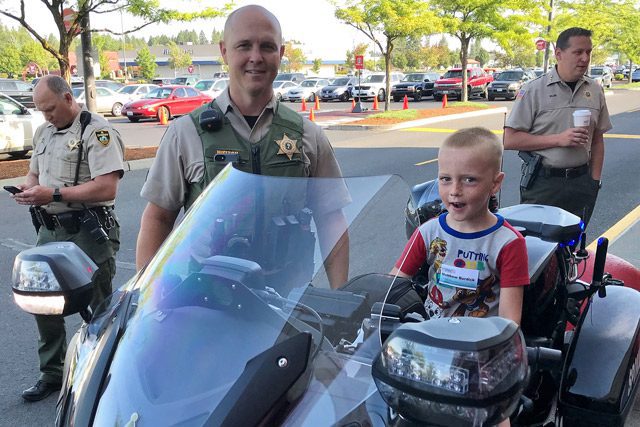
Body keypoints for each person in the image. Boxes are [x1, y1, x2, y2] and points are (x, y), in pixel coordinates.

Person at [135, 5, 349, 288]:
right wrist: (147, 298)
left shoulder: (308, 135)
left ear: (281, 53)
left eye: (267, 47)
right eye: (244, 46)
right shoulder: (186, 133)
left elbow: (331, 218)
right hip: (206, 302)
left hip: (289, 305)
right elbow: (158, 219)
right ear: (224, 51)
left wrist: (340, 295)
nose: (256, 57)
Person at [10, 75, 125, 401]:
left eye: (50, 109)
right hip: (51, 228)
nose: (46, 116)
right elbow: (34, 171)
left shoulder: (97, 131)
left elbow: (107, 186)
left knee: (98, 306)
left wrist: (53, 193)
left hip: (88, 229)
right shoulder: (45, 131)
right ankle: (53, 372)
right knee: (42, 300)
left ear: (68, 98)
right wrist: (28, 188)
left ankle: (105, 373)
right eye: (41, 110)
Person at [390, 127, 529, 326]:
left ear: (495, 184)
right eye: (446, 179)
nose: (455, 191)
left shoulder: (508, 243)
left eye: (469, 180)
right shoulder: (428, 232)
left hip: (478, 343)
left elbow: (508, 321)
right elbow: (393, 284)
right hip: (428, 334)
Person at [504, 27, 612, 227]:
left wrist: (594, 181)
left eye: (588, 52)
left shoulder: (595, 90)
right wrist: (559, 139)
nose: (585, 58)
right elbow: (510, 140)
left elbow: (597, 140)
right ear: (559, 54)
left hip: (582, 182)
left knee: (574, 246)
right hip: (544, 183)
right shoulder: (534, 90)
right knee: (540, 248)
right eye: (578, 52)